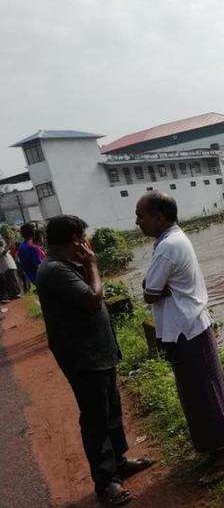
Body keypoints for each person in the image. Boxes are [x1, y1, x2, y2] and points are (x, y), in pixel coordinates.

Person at [36, 215, 153, 506]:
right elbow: (92, 298)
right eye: (83, 238)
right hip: (83, 356)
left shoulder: (64, 265)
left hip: (96, 352)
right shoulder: (54, 270)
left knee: (110, 409)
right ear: (76, 239)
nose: (86, 244)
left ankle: (119, 462)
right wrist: (92, 265)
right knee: (95, 418)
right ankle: (105, 482)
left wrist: (85, 265)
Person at [136, 192, 224, 484]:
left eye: (141, 216)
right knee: (198, 393)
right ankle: (216, 446)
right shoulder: (170, 241)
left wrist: (156, 288)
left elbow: (149, 292)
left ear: (160, 217)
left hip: (188, 329)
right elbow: (151, 287)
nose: (137, 222)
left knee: (204, 392)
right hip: (186, 328)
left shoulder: (168, 246)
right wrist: (155, 287)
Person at [0, 231, 22, 301]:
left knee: (13, 280)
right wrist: (8, 244)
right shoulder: (2, 249)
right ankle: (14, 294)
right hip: (6, 267)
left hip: (9, 266)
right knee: (12, 281)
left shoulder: (2, 248)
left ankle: (15, 294)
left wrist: (8, 244)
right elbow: (3, 253)